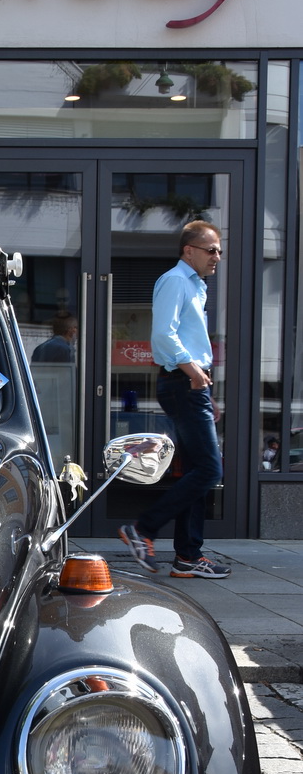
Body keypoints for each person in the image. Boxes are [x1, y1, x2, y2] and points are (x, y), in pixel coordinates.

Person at [119, 220, 230, 579]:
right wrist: (194, 373)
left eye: (219, 250)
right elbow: (163, 335)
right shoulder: (175, 281)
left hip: (190, 383)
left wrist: (203, 387)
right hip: (183, 380)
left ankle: (187, 557)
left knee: (200, 470)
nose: (218, 256)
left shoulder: (196, 286)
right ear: (189, 250)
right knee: (210, 470)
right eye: (211, 249)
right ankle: (142, 530)